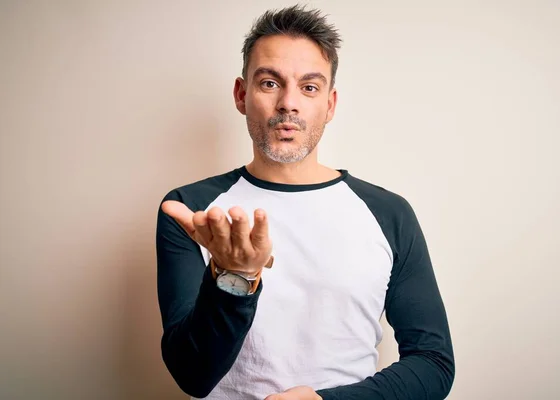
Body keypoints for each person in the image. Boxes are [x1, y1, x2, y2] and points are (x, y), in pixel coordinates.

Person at [156, 5, 454, 400]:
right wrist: (235, 277)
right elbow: (192, 375)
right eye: (269, 83)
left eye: (309, 87)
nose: (288, 104)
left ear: (329, 105)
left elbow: (433, 363)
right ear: (242, 95)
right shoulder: (193, 211)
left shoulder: (389, 213)